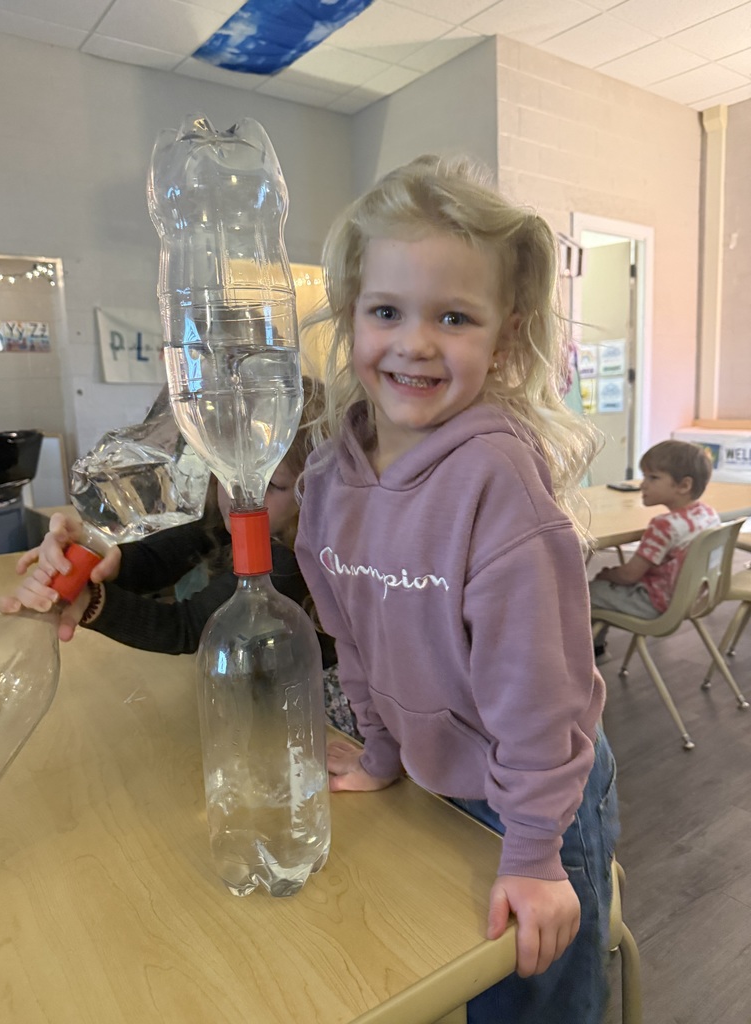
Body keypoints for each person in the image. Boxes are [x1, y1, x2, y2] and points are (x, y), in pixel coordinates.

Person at [294, 154, 619, 1023]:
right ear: (351, 315)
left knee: (534, 1002)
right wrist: (379, 749)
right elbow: (356, 639)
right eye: (387, 311)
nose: (416, 342)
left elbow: (539, 691)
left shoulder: (496, 480)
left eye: (454, 317)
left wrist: (537, 849)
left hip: (536, 794)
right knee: (458, 986)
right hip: (437, 776)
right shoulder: (329, 477)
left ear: (504, 338)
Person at [0, 378, 359, 739]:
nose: (242, 494)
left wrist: (93, 602)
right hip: (255, 696)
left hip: (311, 715)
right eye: (228, 471)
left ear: (316, 492)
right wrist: (91, 554)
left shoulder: (290, 561)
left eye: (272, 484)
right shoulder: (228, 518)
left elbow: (188, 627)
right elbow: (153, 561)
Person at [590, 439, 721, 637]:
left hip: (656, 604)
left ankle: (592, 650)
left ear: (684, 485)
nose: (643, 484)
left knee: (586, 593)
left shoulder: (664, 526)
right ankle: (597, 648)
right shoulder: (709, 515)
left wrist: (607, 575)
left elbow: (629, 575)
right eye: (645, 476)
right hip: (693, 599)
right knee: (602, 589)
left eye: (653, 478)